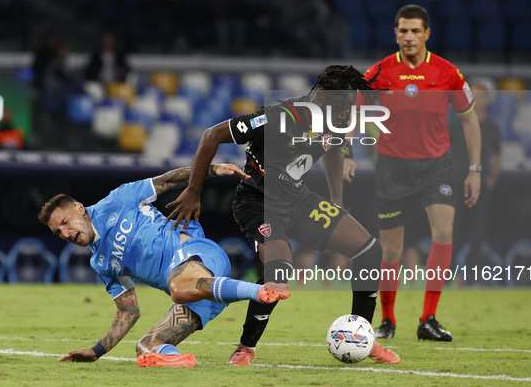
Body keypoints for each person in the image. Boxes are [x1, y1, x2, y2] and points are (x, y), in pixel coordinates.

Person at [167, 65, 400, 365]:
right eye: (341, 108)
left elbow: (331, 149)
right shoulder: (278, 117)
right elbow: (212, 135)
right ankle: (246, 347)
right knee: (278, 273)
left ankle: (361, 338)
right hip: (259, 201)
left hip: (298, 200)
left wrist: (337, 200)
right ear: (320, 98)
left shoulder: (334, 120)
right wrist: (193, 191)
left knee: (370, 250)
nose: (345, 116)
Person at [37, 164, 290, 368]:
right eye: (57, 231)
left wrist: (211, 170)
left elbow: (167, 180)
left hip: (198, 254)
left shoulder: (118, 200)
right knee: (147, 347)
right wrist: (96, 351)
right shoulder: (100, 263)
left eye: (65, 222)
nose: (65, 232)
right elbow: (128, 312)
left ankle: (259, 291)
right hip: (199, 295)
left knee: (177, 286)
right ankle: (181, 362)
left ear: (79, 208)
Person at [345, 5, 481, 341]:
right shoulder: (378, 72)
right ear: (395, 33)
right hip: (393, 169)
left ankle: (428, 318)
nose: (409, 37)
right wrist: (346, 152)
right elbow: (352, 114)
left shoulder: (448, 73)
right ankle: (388, 321)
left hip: (437, 167)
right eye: (403, 31)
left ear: (427, 34)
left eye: (415, 31)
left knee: (444, 232)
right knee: (392, 249)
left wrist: (475, 169)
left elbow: (469, 119)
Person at [449, 84, 501, 268]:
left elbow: (496, 154)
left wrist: (492, 177)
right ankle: (448, 277)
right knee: (451, 229)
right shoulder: (456, 123)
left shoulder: (492, 127)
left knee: (477, 230)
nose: (473, 98)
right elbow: (443, 147)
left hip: (479, 183)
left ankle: (474, 276)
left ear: (486, 100)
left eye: (477, 95)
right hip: (456, 182)